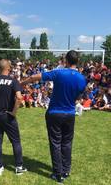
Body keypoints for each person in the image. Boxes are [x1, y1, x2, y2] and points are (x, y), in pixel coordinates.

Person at [21, 50, 87, 183]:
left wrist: (22, 83)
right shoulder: (81, 78)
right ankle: (66, 170)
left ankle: (58, 173)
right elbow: (78, 97)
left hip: (54, 113)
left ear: (66, 61)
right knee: (67, 143)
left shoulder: (59, 73)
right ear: (77, 61)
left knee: (55, 143)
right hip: (69, 114)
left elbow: (35, 77)